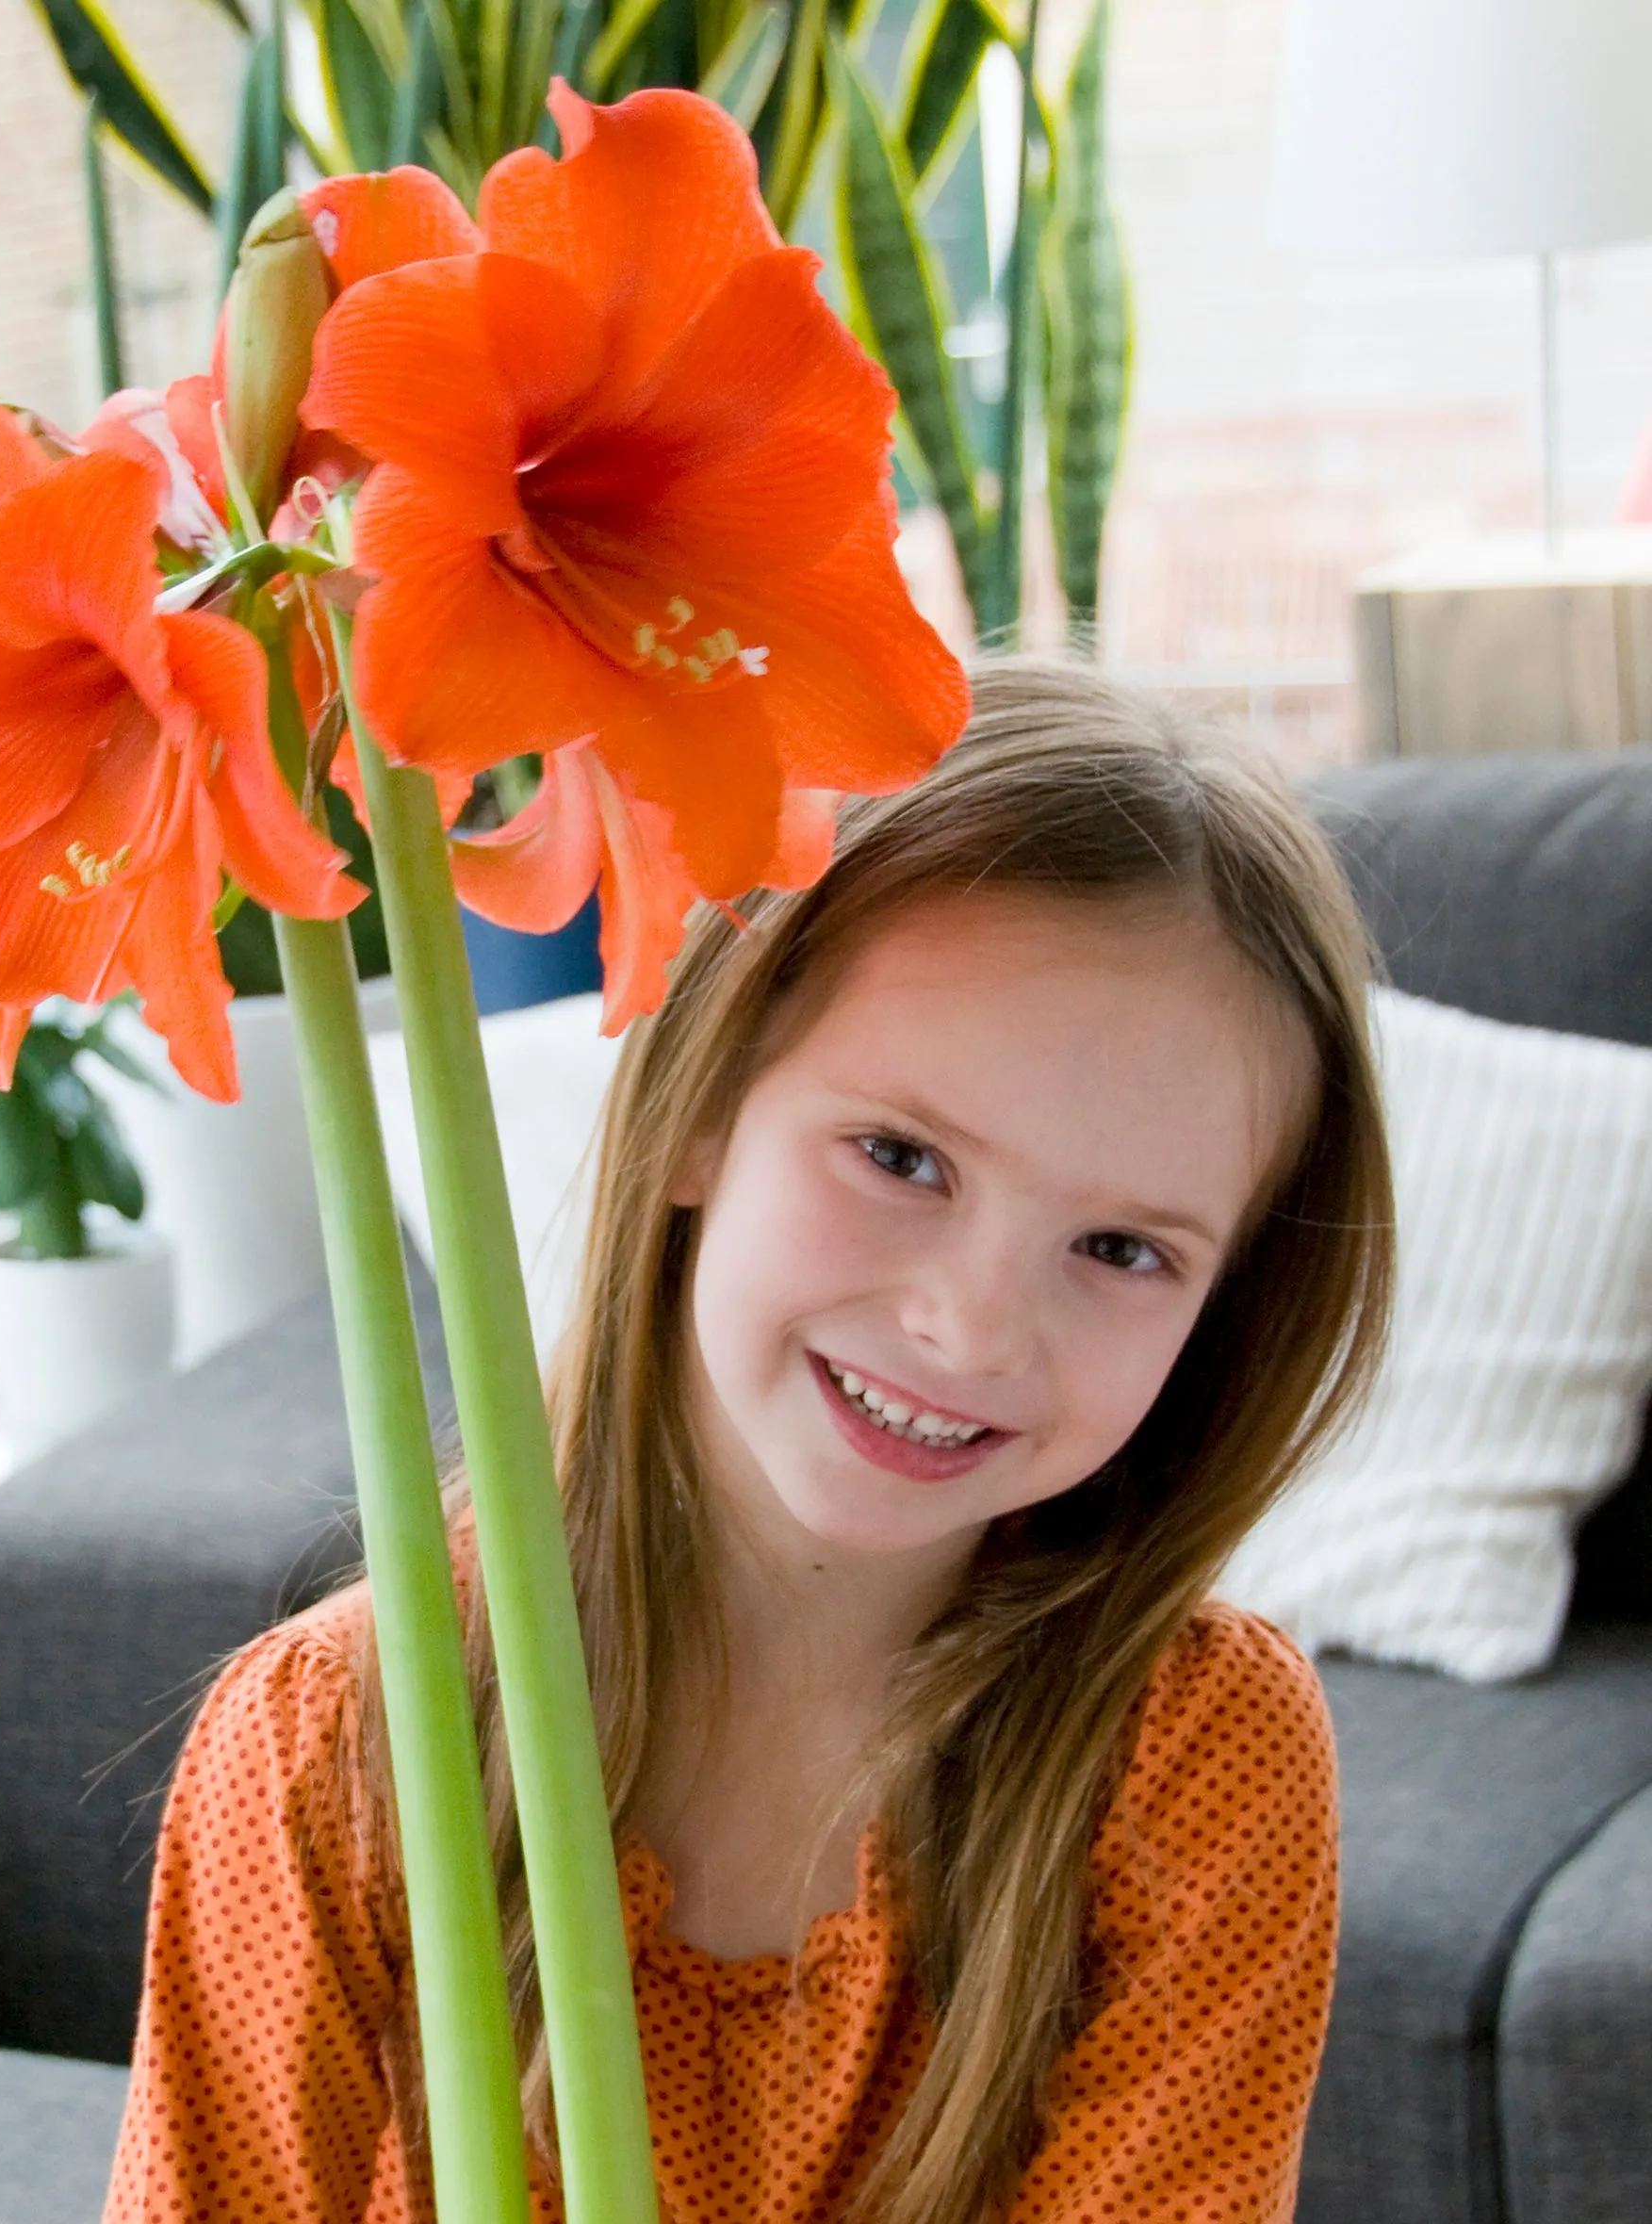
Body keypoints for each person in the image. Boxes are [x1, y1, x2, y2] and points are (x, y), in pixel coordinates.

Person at [100, 657, 1397, 2224]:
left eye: (1123, 1250)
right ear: (702, 1104)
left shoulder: (1197, 1757)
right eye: (901, 1157)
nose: (972, 1329)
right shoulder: (333, 1745)